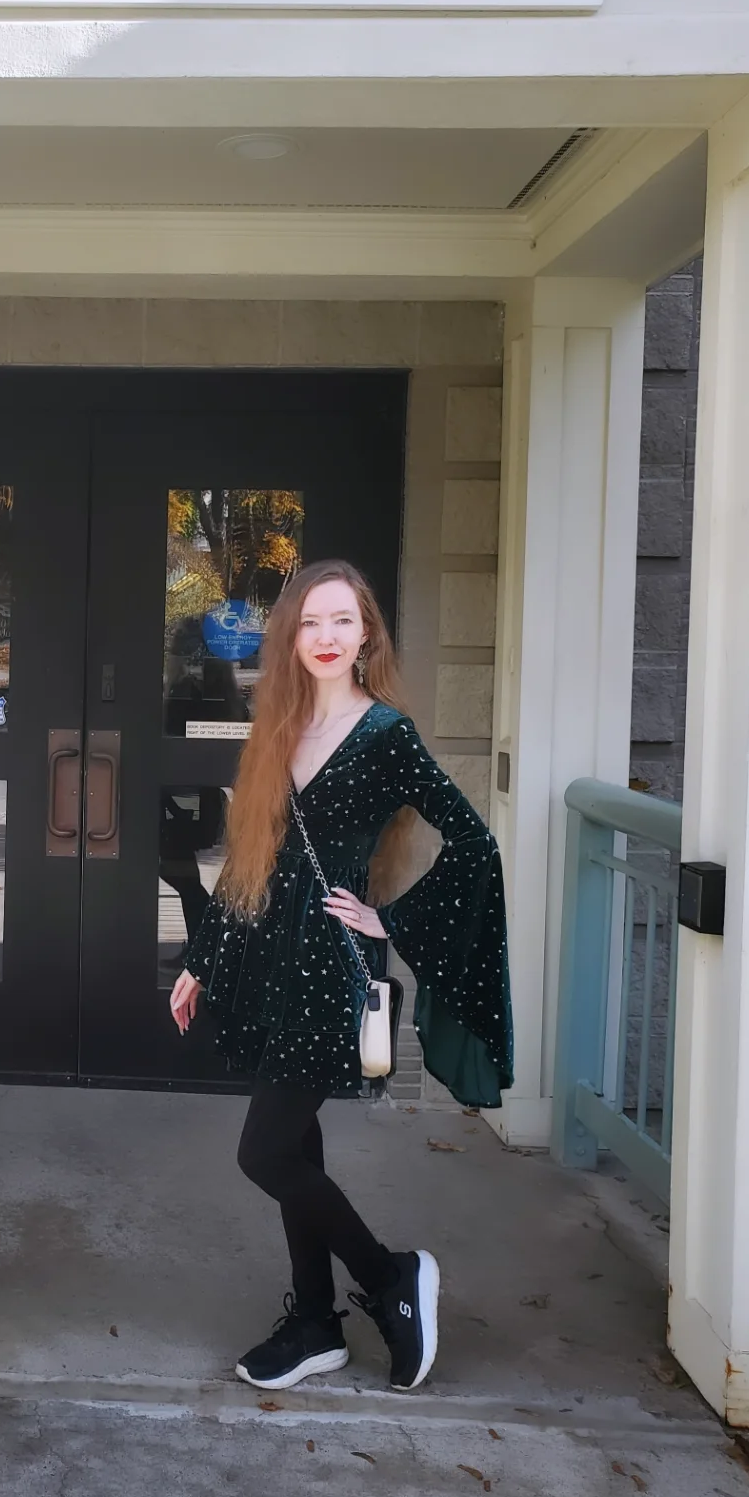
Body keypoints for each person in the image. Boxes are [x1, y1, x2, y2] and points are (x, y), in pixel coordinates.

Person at [170, 560, 512, 1396]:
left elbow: (475, 844)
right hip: (267, 963)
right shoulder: (278, 728)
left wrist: (390, 919)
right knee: (295, 1145)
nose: (325, 637)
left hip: (327, 966)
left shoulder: (386, 733)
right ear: (291, 637)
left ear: (366, 636)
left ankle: (390, 1275)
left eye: (342, 622)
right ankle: (317, 1321)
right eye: (310, 623)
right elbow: (252, 861)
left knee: (262, 1152)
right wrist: (199, 960)